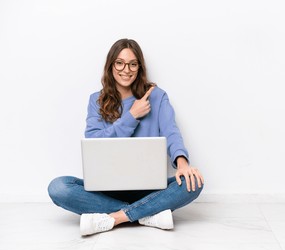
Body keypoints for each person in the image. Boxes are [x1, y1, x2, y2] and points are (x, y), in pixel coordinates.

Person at [48, 38, 204, 236]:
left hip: (150, 188)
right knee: (58, 187)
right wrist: (132, 116)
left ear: (139, 67)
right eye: (120, 63)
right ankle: (149, 213)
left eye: (132, 64)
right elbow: (94, 142)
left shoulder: (156, 96)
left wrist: (182, 164)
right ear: (111, 65)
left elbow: (171, 132)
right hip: (106, 188)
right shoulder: (96, 100)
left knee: (195, 181)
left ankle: (115, 217)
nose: (126, 69)